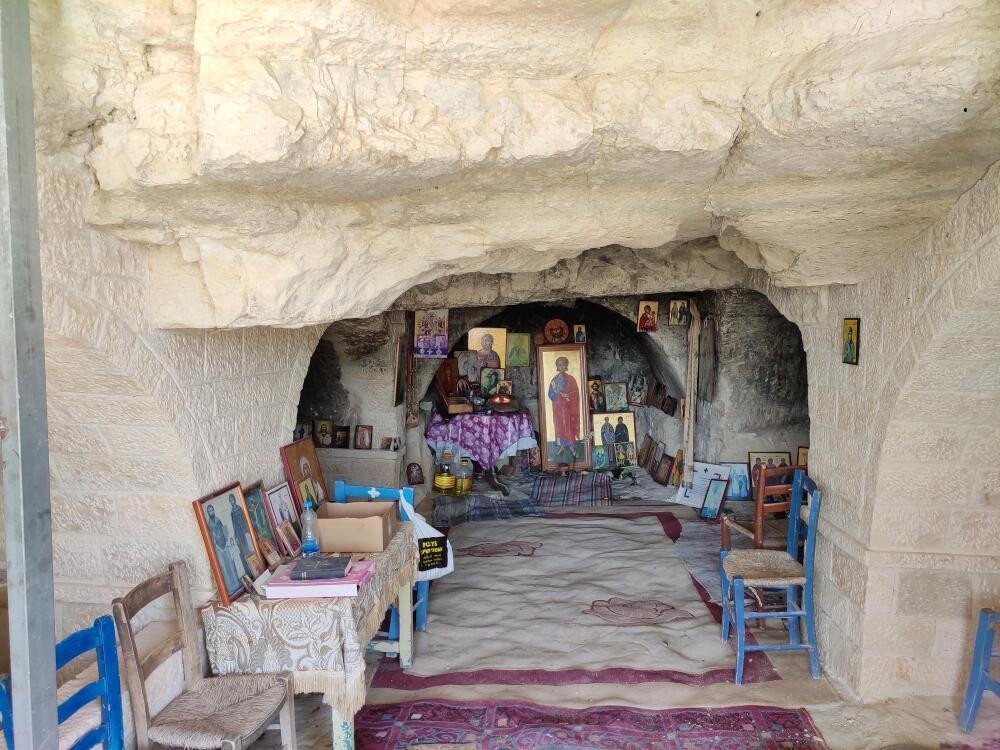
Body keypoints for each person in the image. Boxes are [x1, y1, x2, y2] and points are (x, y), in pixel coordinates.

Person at [547, 356, 581, 461]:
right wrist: (556, 393)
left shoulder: (571, 379)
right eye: (559, 364)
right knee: (559, 426)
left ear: (566, 366)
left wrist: (568, 396)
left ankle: (571, 447)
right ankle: (561, 447)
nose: (561, 367)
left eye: (563, 364)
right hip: (558, 408)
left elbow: (575, 393)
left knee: (568, 426)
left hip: (568, 408)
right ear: (557, 366)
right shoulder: (554, 380)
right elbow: (550, 394)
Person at [206, 504, 240, 593]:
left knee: (230, 564)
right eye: (209, 511)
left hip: (225, 545)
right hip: (217, 548)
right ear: (208, 513)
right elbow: (210, 539)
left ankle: (237, 584)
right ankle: (230, 588)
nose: (211, 512)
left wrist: (227, 538)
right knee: (223, 568)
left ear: (214, 510)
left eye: (212, 510)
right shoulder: (208, 525)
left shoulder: (218, 520)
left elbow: (225, 532)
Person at [228, 493, 256, 578]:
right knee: (243, 553)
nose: (232, 501)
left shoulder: (239, 508)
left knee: (249, 550)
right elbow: (234, 525)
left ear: (234, 499)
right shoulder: (232, 512)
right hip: (239, 535)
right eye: (230, 500)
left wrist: (247, 531)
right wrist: (235, 536)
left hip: (244, 532)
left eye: (232, 499)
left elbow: (244, 520)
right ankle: (249, 573)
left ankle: (255, 570)